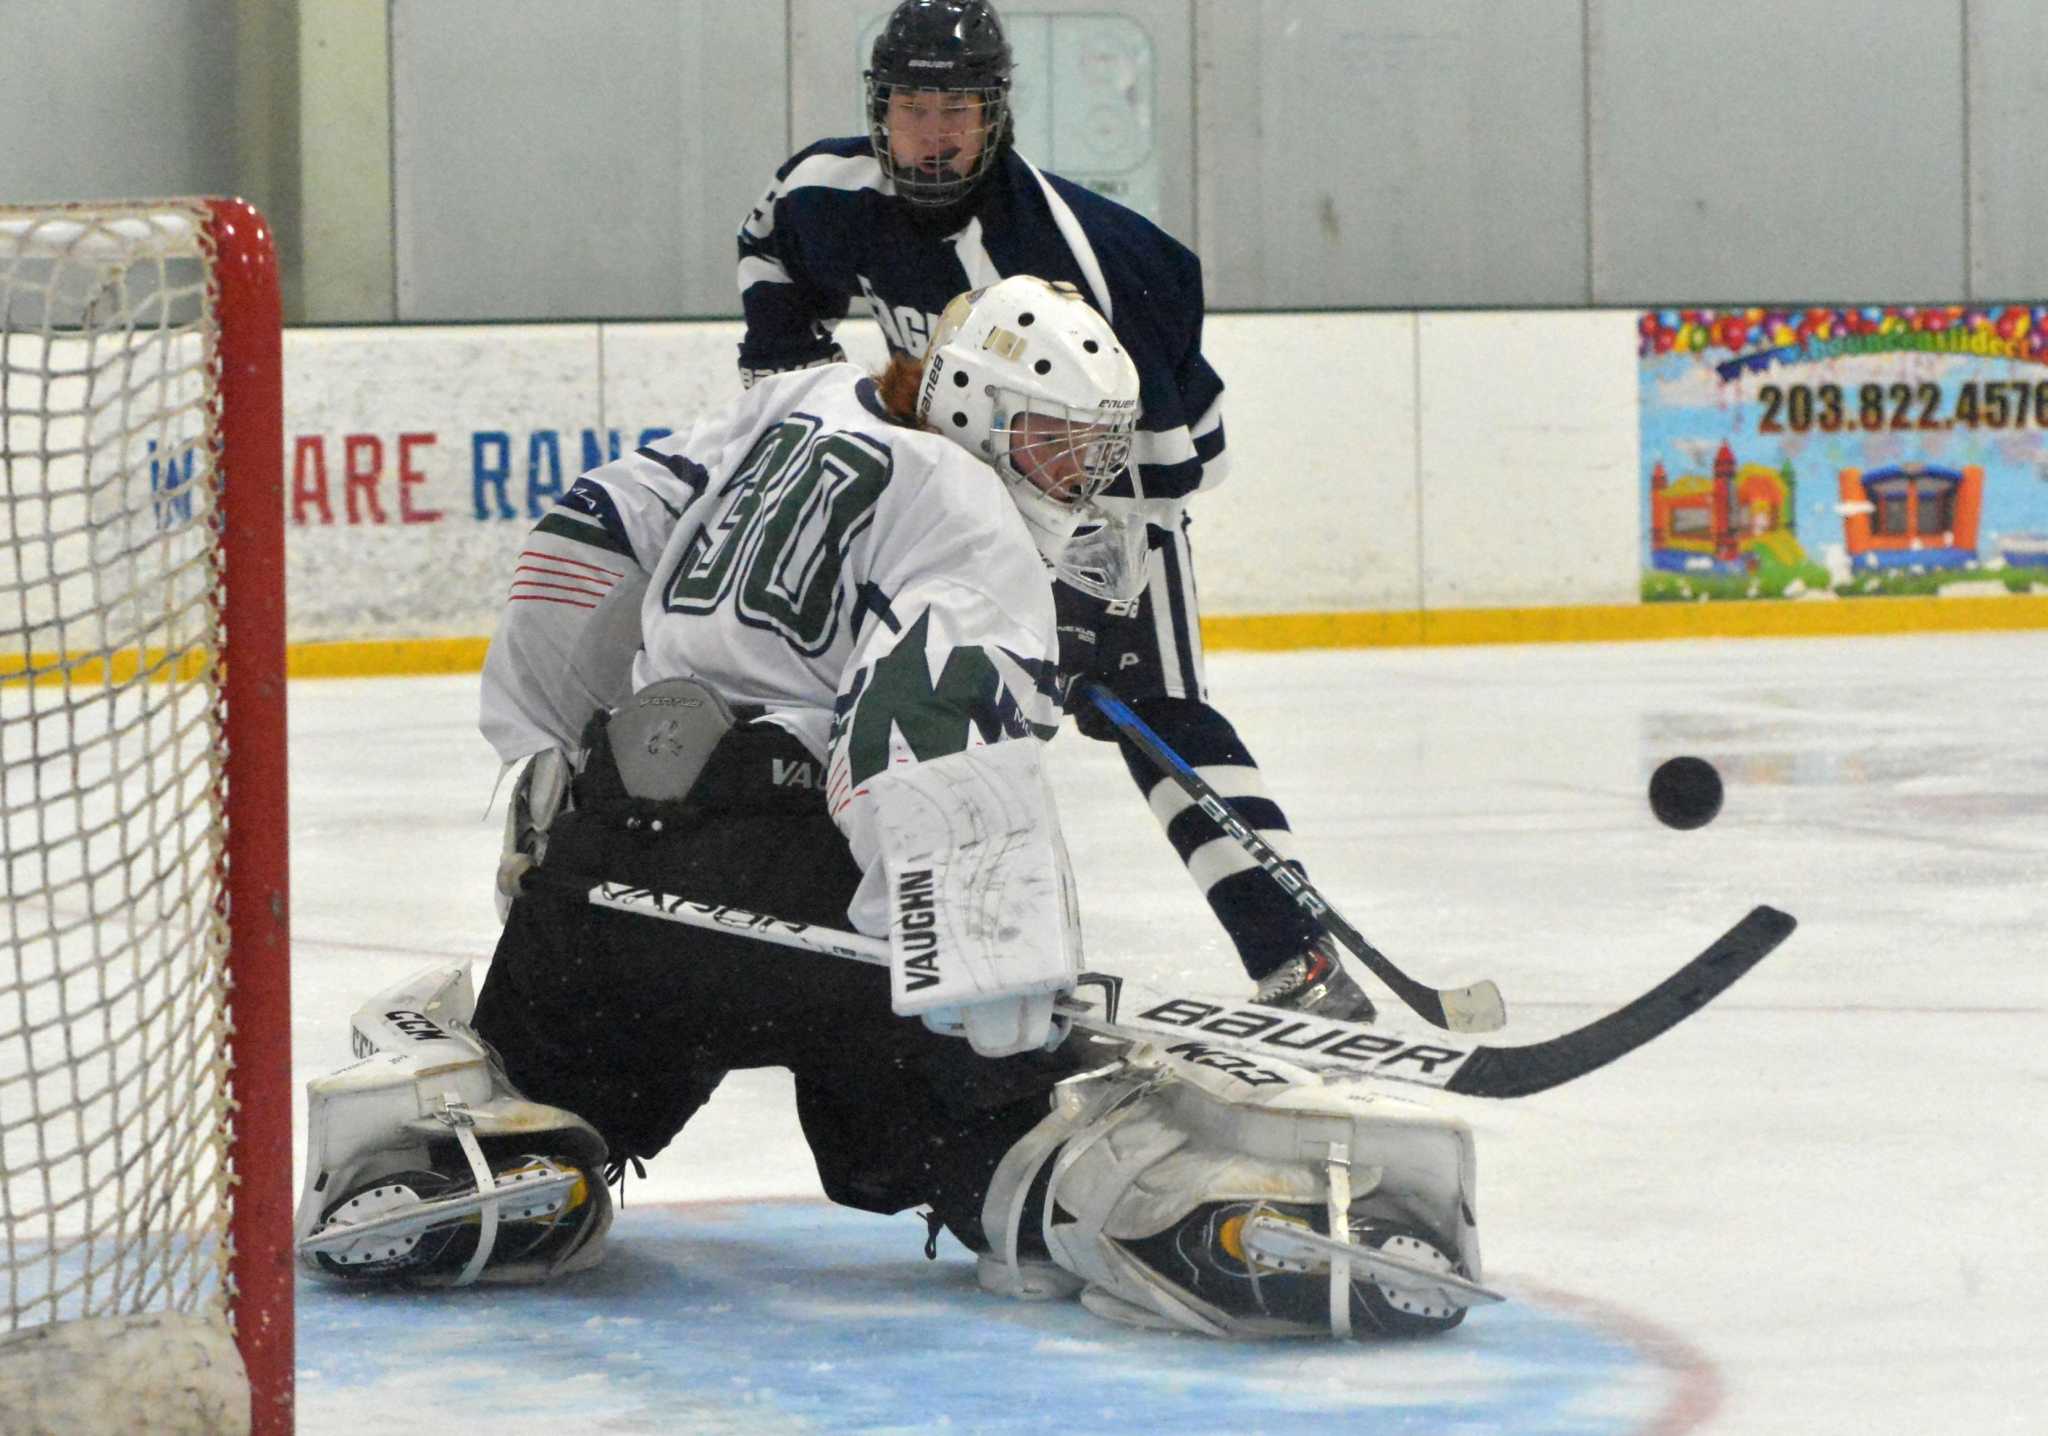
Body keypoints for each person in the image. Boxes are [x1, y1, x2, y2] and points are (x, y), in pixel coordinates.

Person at [290, 278, 1488, 1342]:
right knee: (1003, 1133)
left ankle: (476, 1165)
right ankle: (1185, 1223)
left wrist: (552, 768)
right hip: (799, 891)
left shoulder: (805, 396)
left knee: (555, 1086)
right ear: (968, 401)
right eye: (1053, 440)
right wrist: (983, 960)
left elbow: (583, 536)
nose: (1075, 474)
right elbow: (914, 735)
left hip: (608, 872)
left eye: (1090, 449)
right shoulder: (974, 519)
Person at [737, 0, 1376, 1022]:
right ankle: (893, 932)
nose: (933, 134)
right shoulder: (832, 188)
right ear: (878, 111)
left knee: (1156, 711)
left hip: (1112, 493)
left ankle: (1294, 952)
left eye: (957, 109)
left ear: (995, 118)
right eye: (911, 108)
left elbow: (1170, 463)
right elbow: (771, 243)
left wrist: (1083, 592)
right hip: (952, 493)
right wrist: (790, 367)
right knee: (893, 697)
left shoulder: (1082, 258)